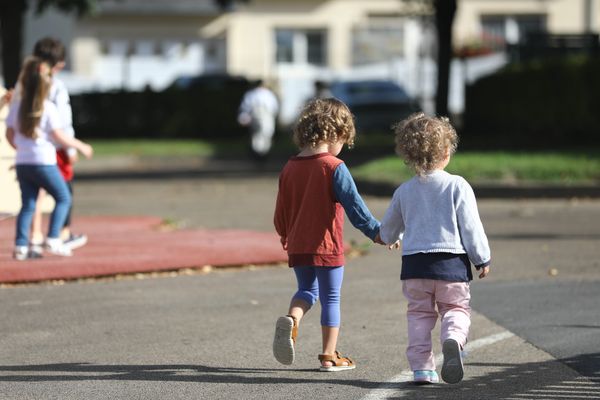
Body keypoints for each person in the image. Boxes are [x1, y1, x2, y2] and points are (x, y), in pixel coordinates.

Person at [378, 112, 491, 384]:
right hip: (451, 265)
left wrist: (394, 235)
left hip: (415, 267)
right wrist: (481, 258)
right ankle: (453, 338)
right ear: (446, 152)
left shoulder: (404, 191)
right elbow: (471, 228)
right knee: (455, 309)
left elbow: (387, 231)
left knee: (419, 315)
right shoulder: (457, 186)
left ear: (409, 155)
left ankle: (422, 369)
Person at [273, 98, 384, 372]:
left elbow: (281, 210)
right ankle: (328, 355)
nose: (342, 148)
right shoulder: (334, 167)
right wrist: (377, 232)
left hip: (298, 245)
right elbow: (355, 207)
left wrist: (285, 233)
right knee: (331, 297)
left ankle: (293, 320)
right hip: (327, 246)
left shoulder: (289, 167)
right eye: (343, 141)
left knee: (306, 291)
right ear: (335, 134)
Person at [5, 57, 93, 260]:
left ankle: (20, 246)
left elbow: (9, 135)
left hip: (23, 163)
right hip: (43, 162)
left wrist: (20, 149)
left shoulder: (17, 107)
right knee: (63, 197)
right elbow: (60, 137)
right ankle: (54, 237)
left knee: (28, 203)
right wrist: (81, 146)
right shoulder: (48, 108)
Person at [28, 37, 88, 255]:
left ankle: (34, 235)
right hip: (55, 147)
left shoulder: (27, 85)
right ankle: (61, 234)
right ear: (60, 64)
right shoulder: (56, 88)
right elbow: (63, 123)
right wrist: (72, 148)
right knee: (64, 193)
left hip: (32, 146)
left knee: (35, 194)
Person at [237, 80, 279, 160]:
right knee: (264, 135)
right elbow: (274, 108)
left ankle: (259, 153)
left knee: (259, 135)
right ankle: (261, 153)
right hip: (263, 116)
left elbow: (245, 107)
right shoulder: (268, 94)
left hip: (260, 116)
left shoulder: (251, 94)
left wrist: (244, 117)